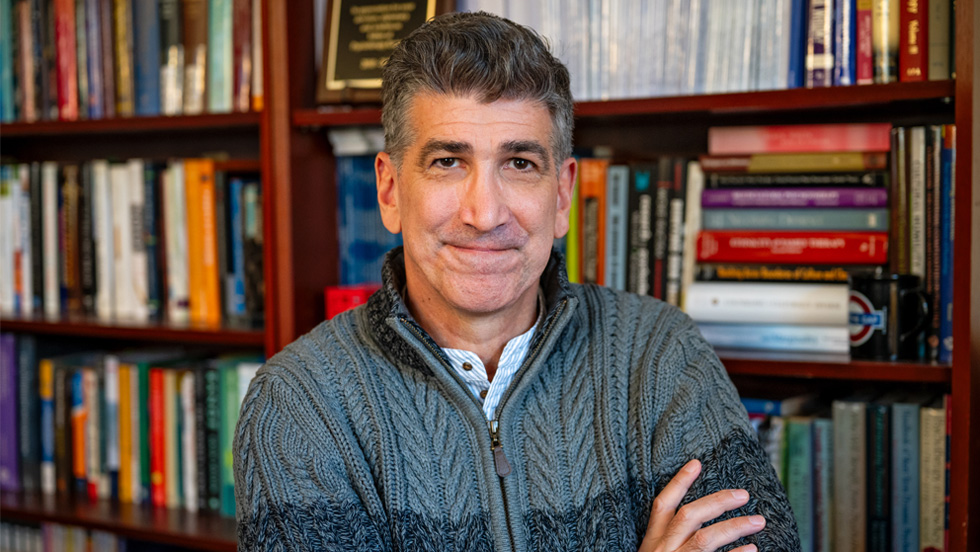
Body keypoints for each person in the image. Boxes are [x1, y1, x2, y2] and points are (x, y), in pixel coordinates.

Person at [234, 11, 800, 552]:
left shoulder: (660, 354)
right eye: (448, 162)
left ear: (561, 195)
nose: (485, 212)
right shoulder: (300, 405)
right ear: (389, 191)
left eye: (520, 163)